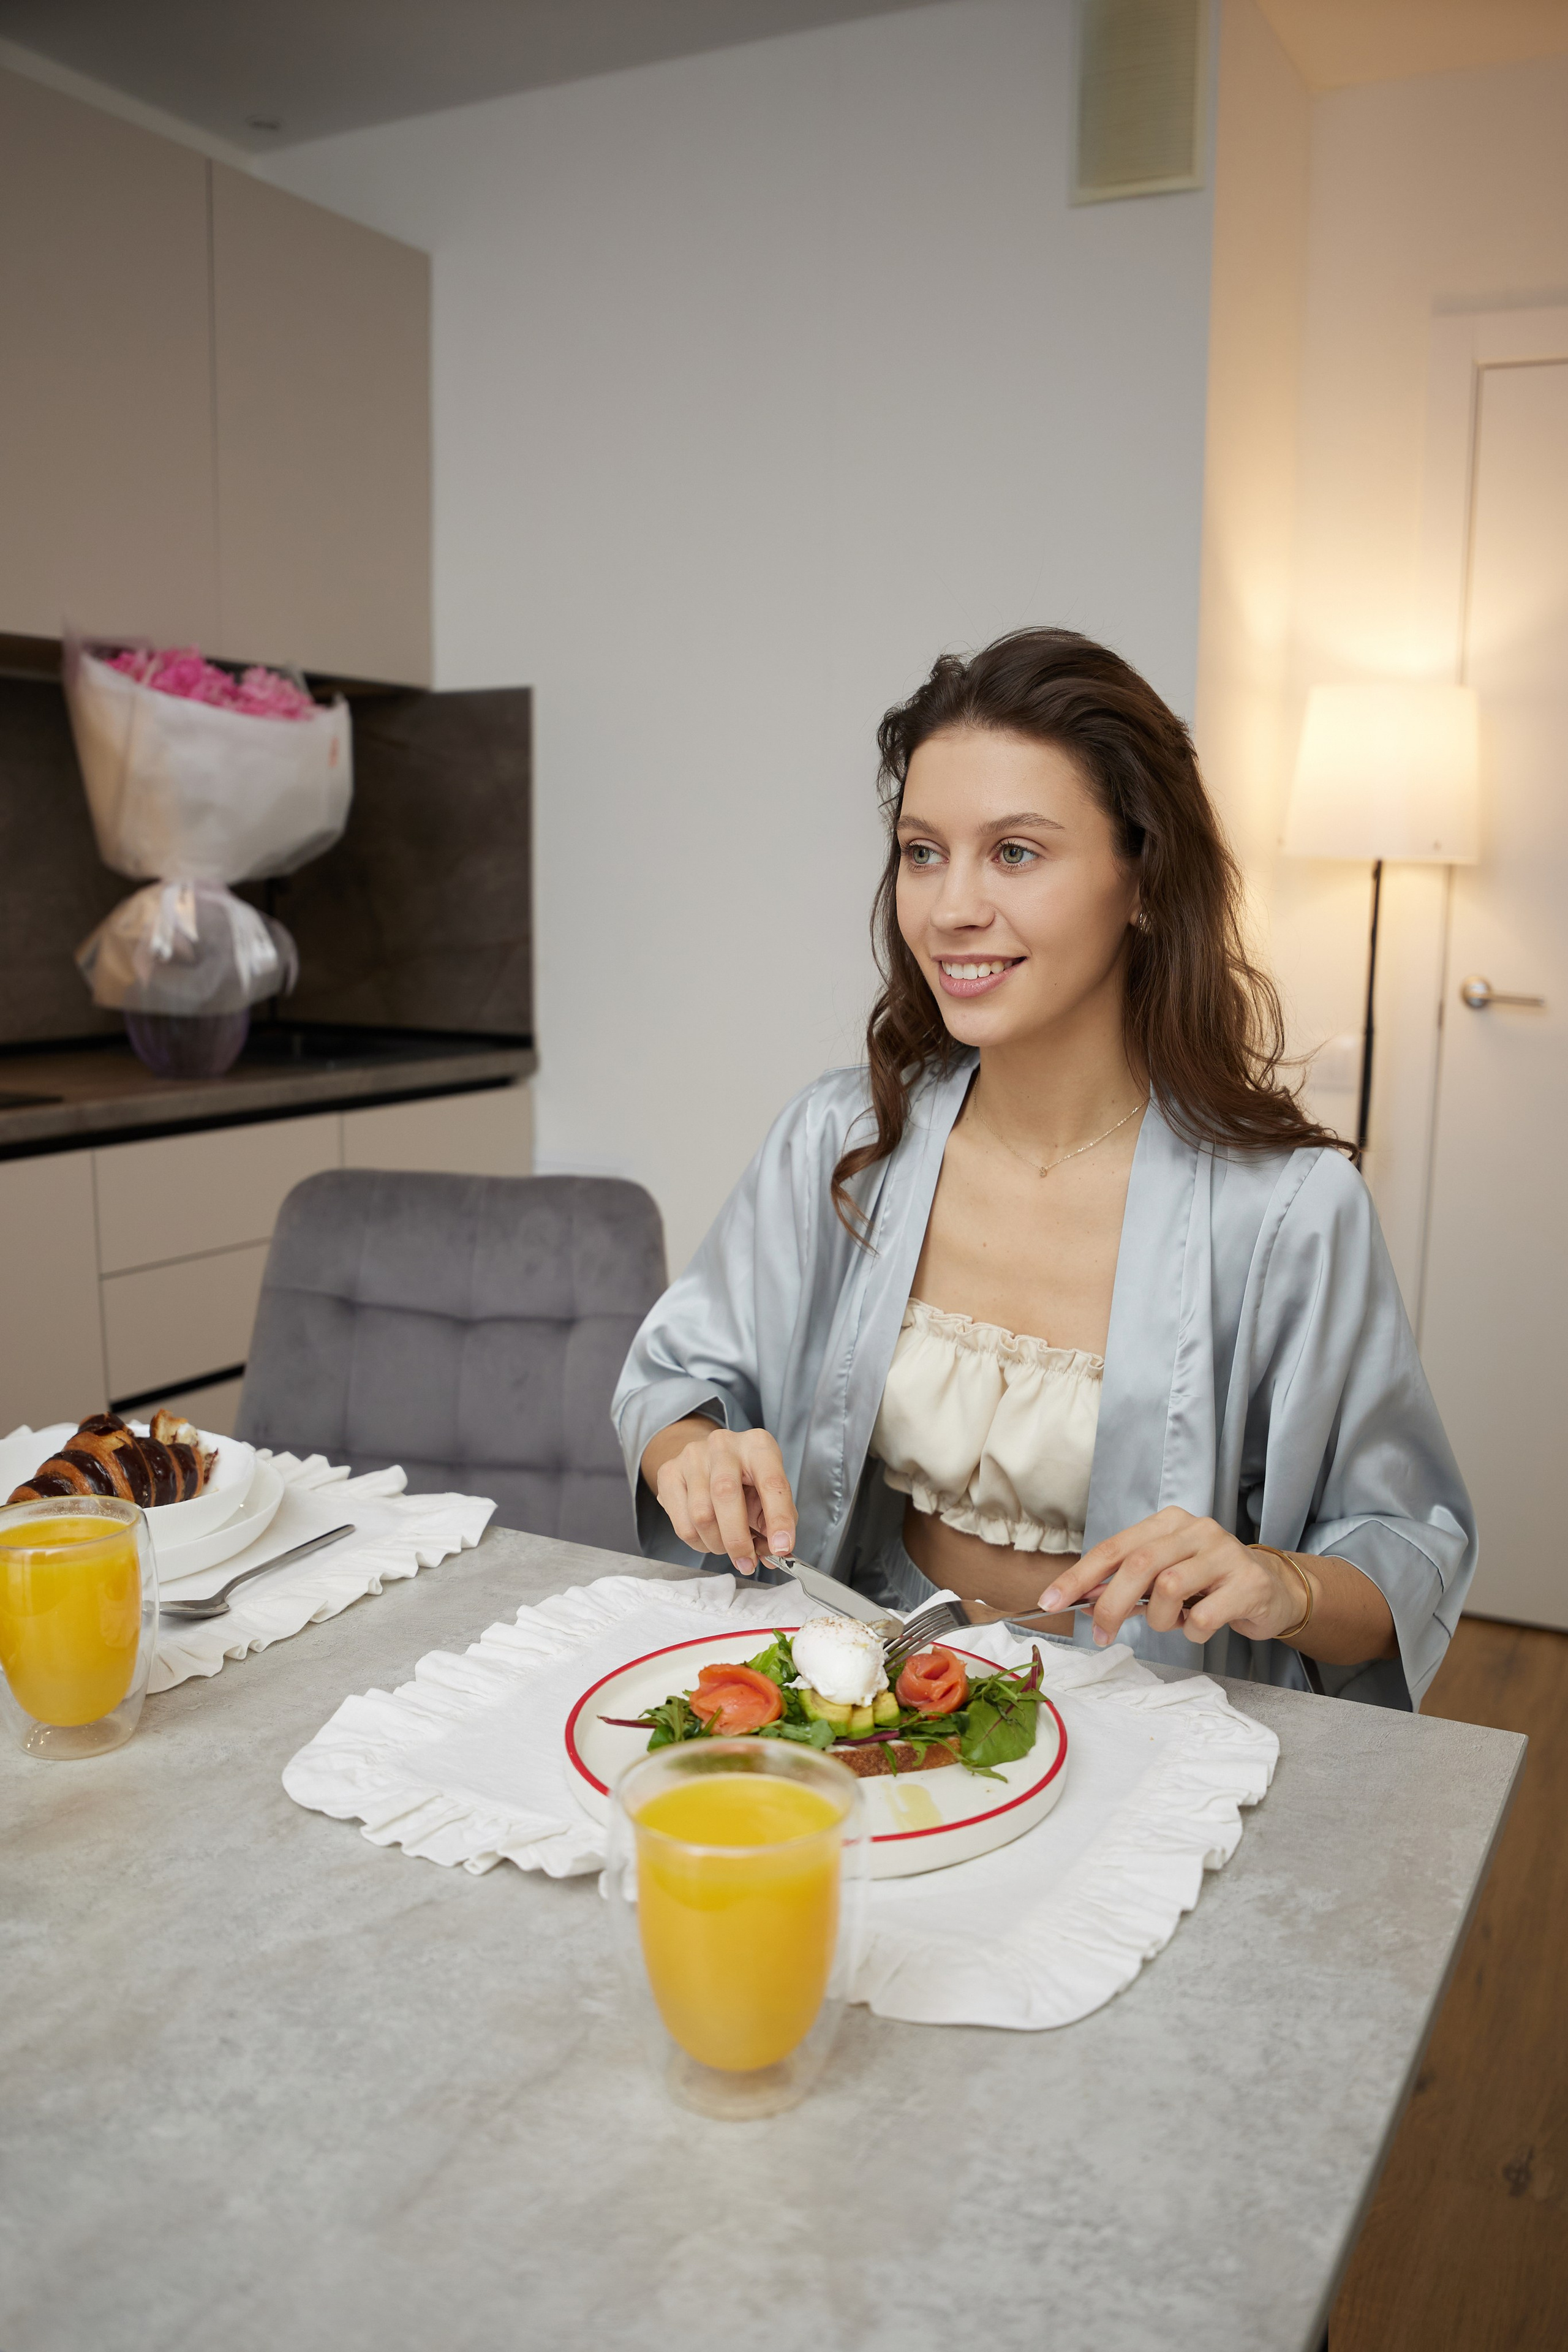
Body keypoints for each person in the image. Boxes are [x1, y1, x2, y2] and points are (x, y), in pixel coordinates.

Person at [613, 630, 1476, 1707]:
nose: (950, 908)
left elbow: (1406, 1547)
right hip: (873, 1683)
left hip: (1145, 1714)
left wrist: (1278, 1583)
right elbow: (671, 1383)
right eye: (923, 851)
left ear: (1145, 881)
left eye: (1015, 852)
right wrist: (690, 1450)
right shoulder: (838, 1141)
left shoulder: (1291, 1210)